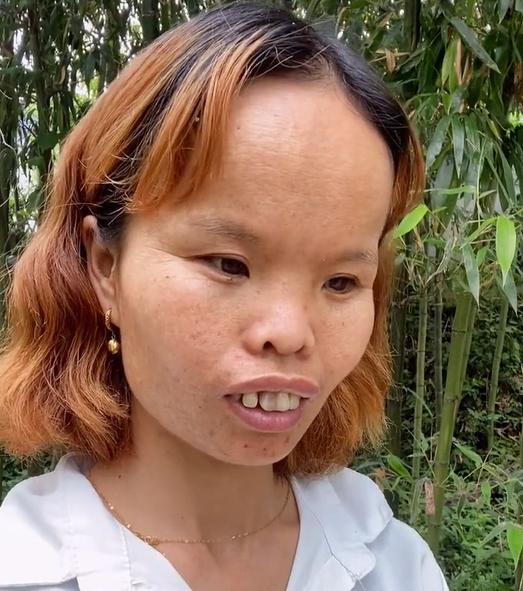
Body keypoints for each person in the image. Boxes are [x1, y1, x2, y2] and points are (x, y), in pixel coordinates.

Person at [0, 3, 447, 590]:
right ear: (105, 266)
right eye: (228, 264)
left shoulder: (393, 565)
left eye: (341, 282)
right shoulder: (25, 570)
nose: (290, 333)